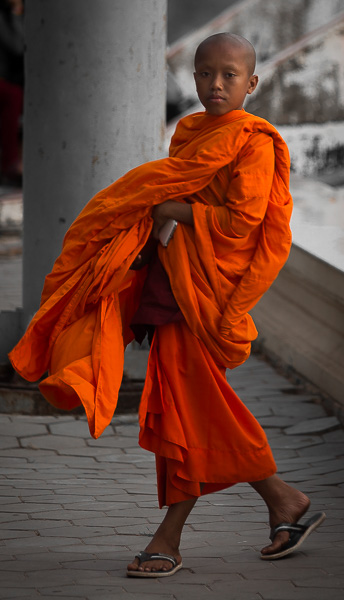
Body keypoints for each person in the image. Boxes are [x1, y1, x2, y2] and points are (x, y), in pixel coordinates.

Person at [9, 33, 325, 578]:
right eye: (205, 73)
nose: (216, 84)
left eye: (230, 75)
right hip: (174, 287)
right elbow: (178, 199)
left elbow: (241, 224)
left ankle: (198, 527)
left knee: (191, 408)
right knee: (186, 408)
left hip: (207, 295)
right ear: (194, 78)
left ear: (252, 83)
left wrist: (170, 207)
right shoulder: (191, 132)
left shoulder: (254, 142)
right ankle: (274, 504)